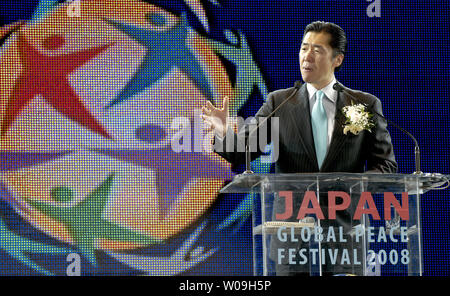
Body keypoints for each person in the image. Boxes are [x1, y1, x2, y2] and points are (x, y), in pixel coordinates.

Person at [201, 21, 397, 275]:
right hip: (292, 238)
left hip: (344, 234)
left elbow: (386, 164)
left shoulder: (363, 104)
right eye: (304, 48)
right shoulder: (280, 102)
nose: (307, 56)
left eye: (317, 50)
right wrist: (223, 131)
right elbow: (243, 152)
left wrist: (357, 184)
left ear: (337, 59)